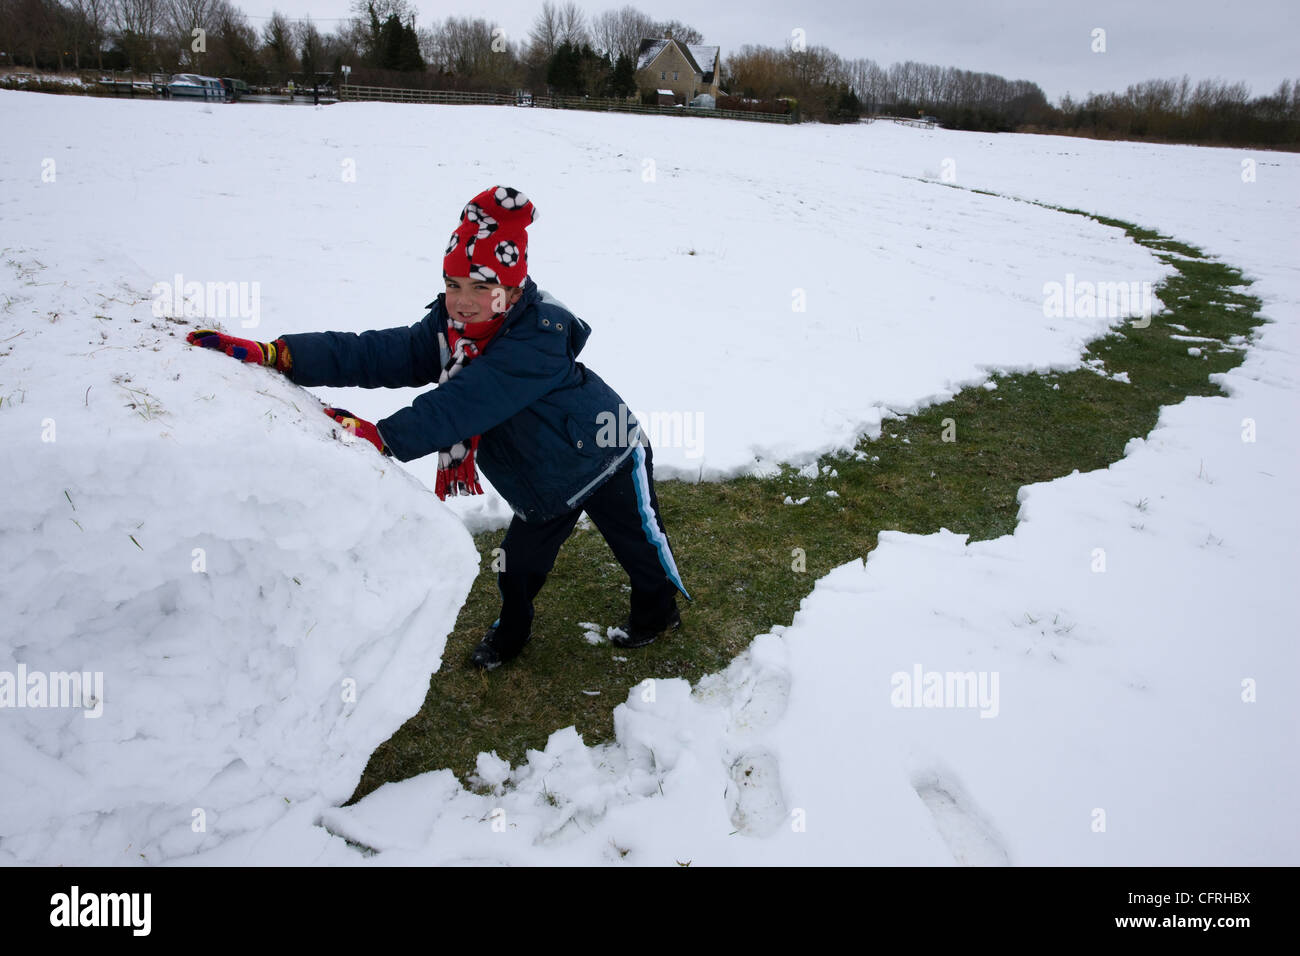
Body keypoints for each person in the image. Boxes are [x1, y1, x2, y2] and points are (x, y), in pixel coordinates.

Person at [186, 185, 689, 669]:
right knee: (515, 567)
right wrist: (283, 354)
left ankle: (658, 611)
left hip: (608, 450)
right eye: (453, 285)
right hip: (546, 481)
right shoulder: (455, 333)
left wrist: (384, 437)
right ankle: (511, 632)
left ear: (512, 290)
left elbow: (466, 402)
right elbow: (379, 352)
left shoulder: (537, 338)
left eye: (481, 287)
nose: (463, 300)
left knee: (639, 544)